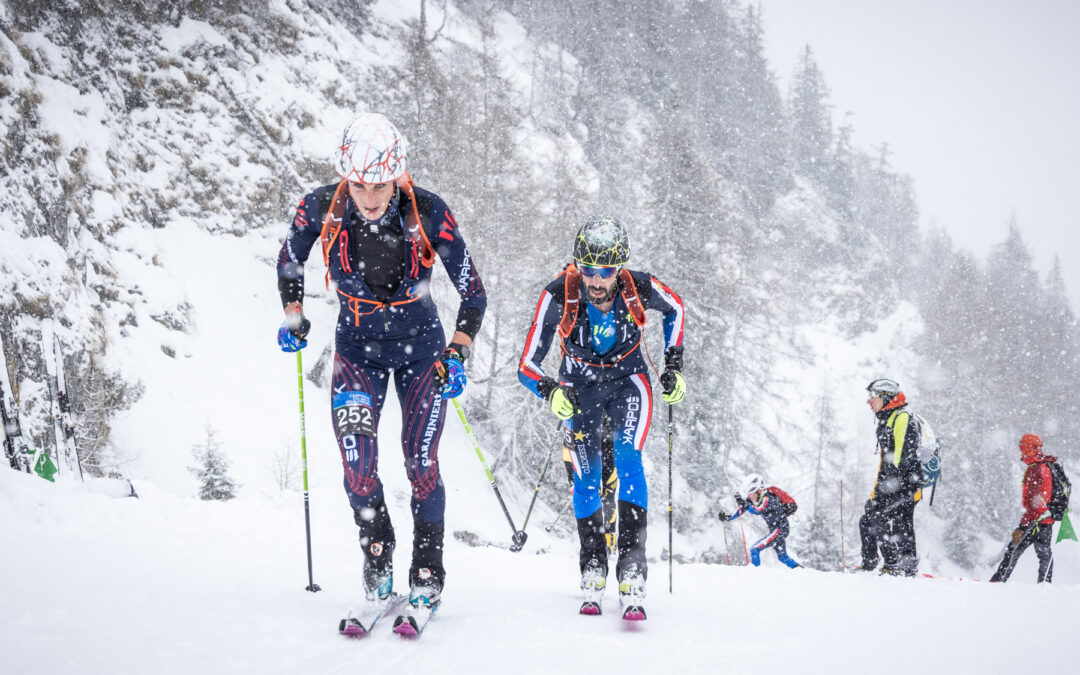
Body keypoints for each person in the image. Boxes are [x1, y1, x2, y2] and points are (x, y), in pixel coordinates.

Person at [275, 113, 486, 610]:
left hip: (423, 349)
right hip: (356, 350)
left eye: (380, 186)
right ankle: (378, 551)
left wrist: (458, 349)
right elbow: (290, 259)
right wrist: (293, 314)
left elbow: (473, 293)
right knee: (358, 467)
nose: (369, 198)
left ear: (398, 177)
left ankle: (428, 566)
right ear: (346, 176)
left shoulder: (429, 212)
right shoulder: (319, 207)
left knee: (420, 461)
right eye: (361, 186)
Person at [518, 215, 686, 616]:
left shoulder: (639, 286)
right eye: (588, 270)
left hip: (631, 383)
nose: (596, 281)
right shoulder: (559, 292)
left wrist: (673, 367)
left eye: (606, 272)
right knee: (587, 473)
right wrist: (549, 390)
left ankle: (631, 564)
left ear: (620, 267)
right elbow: (527, 362)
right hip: (578, 387)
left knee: (628, 457)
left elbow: (676, 309)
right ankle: (593, 560)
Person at [858, 378, 924, 576]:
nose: (869, 401)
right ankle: (890, 566)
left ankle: (895, 567)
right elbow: (885, 464)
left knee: (881, 518)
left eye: (873, 396)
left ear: (886, 397)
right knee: (878, 520)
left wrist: (886, 490)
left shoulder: (902, 418)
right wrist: (877, 491)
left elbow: (901, 460)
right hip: (895, 484)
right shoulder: (889, 418)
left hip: (906, 484)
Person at [990, 434, 1056, 583]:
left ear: (1029, 448)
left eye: (1022, 447)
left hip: (1034, 520)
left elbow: (1037, 499)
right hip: (1045, 519)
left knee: (1013, 550)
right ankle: (1045, 584)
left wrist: (1025, 523)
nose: (1021, 451)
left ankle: (998, 581)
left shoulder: (1036, 468)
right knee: (1044, 553)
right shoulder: (1043, 466)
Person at [719, 475, 799, 568]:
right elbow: (742, 509)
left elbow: (758, 510)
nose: (750, 496)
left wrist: (746, 505)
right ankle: (802, 571)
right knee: (782, 557)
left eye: (752, 494)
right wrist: (728, 517)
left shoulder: (768, 499)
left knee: (755, 549)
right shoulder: (755, 499)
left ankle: (755, 575)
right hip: (775, 530)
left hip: (781, 529)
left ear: (759, 491)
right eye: (748, 495)